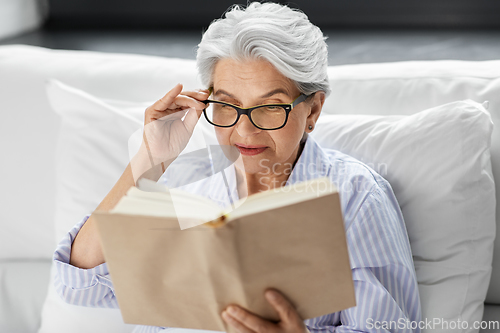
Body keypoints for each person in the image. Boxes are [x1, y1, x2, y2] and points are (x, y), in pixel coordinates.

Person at [53, 2, 421, 333]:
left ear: (313, 110)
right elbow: (78, 284)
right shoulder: (179, 185)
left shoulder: (355, 197)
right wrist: (149, 160)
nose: (244, 131)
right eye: (227, 105)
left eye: (270, 107)